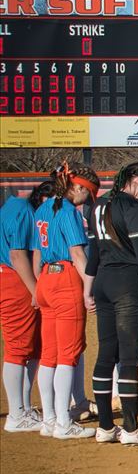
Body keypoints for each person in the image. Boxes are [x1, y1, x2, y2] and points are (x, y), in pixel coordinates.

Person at [85, 161, 138, 445]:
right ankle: (131, 429)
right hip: (127, 285)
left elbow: (94, 256)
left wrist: (88, 290)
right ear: (136, 181)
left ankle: (106, 427)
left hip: (103, 283)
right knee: (129, 357)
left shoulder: (97, 205)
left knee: (105, 353)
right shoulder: (134, 209)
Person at [31, 165, 97, 439]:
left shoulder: (43, 208)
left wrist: (38, 287)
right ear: (78, 187)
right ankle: (63, 423)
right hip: (65, 279)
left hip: (46, 278)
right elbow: (78, 254)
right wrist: (88, 289)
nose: (87, 200)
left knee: (49, 355)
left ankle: (49, 420)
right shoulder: (68, 211)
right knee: (67, 355)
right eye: (88, 193)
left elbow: (36, 253)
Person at [1, 185, 40, 432]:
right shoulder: (24, 210)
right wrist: (36, 290)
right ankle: (16, 414)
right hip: (14, 280)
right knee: (18, 347)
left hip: (11, 277)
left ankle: (24, 408)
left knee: (31, 345)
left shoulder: (13, 206)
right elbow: (17, 255)